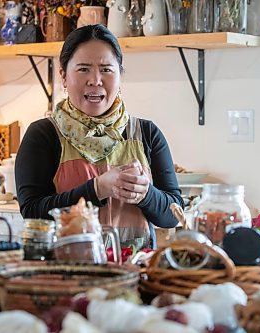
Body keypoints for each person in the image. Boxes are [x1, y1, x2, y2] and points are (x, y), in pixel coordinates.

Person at [15, 24, 183, 249]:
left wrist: (146, 194)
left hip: (135, 273)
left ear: (120, 75)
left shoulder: (147, 134)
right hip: (66, 273)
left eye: (106, 69)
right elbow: (32, 213)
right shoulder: (43, 135)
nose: (95, 80)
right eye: (83, 69)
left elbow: (174, 214)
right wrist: (96, 190)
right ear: (64, 76)